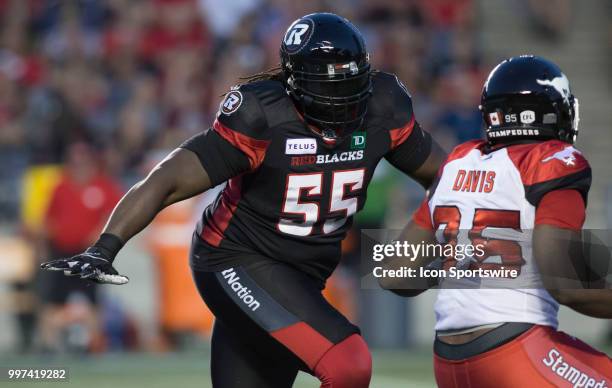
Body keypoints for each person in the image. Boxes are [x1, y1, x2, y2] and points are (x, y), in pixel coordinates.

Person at [41, 12, 446, 388]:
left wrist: (445, 238)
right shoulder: (262, 113)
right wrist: (105, 247)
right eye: (327, 87)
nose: (340, 98)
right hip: (234, 259)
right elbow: (168, 179)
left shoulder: (384, 106)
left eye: (349, 83)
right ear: (294, 83)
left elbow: (449, 181)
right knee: (348, 362)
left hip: (302, 276)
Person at [380, 55, 612, 386]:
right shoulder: (554, 161)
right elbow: (566, 286)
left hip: (448, 361)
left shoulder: (458, 161)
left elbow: (393, 275)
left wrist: (459, 263)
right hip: (516, 349)